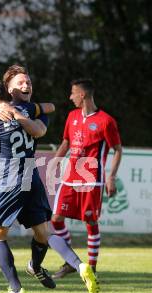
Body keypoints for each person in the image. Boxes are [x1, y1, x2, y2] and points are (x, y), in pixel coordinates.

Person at [0, 73, 99, 293]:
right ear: (8, 89)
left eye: (28, 82)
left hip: (4, 177)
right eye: (21, 82)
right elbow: (47, 113)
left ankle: (12, 288)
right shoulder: (30, 111)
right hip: (29, 175)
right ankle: (76, 265)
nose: (26, 85)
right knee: (43, 232)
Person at [51, 78, 122, 279]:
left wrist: (111, 177)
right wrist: (53, 164)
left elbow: (117, 150)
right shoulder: (72, 116)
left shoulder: (106, 121)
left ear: (82, 95)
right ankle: (70, 261)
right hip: (70, 178)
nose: (70, 96)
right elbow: (65, 142)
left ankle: (91, 268)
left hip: (92, 181)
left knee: (90, 221)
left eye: (73, 93)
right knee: (55, 219)